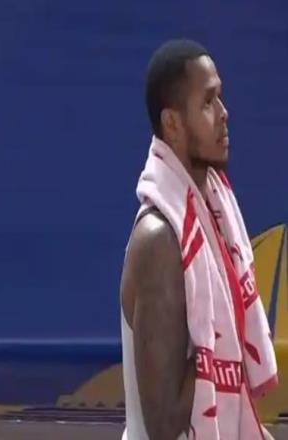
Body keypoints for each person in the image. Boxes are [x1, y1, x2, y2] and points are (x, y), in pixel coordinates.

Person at [119, 40, 277, 439]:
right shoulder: (161, 240)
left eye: (220, 98)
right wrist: (216, 335)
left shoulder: (216, 214)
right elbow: (164, 425)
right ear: (172, 124)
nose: (224, 114)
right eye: (208, 102)